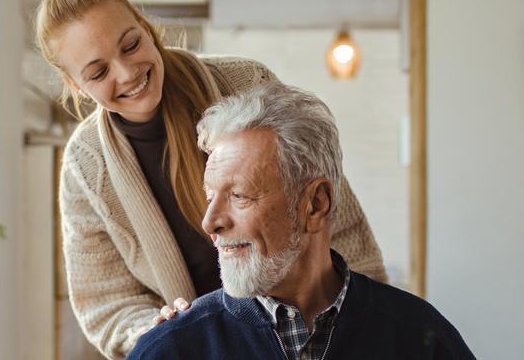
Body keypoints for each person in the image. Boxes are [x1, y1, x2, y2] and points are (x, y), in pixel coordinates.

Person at [35, 0, 387, 358]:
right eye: (98, 73)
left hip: (307, 337)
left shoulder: (246, 83)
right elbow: (107, 303)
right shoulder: (85, 164)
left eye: (131, 44)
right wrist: (156, 328)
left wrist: (367, 320)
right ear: (76, 85)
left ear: (146, 28)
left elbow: (333, 221)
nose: (126, 73)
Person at [127, 83, 476, 360]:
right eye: (210, 197)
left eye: (239, 196)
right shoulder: (169, 350)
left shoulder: (421, 338)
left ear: (315, 204)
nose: (210, 222)